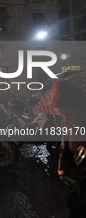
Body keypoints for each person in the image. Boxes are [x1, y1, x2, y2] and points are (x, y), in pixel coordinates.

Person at [52, 79, 86, 218]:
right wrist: (63, 168)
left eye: (70, 115)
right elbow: (64, 150)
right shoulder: (66, 125)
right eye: (62, 116)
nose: (67, 119)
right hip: (78, 190)